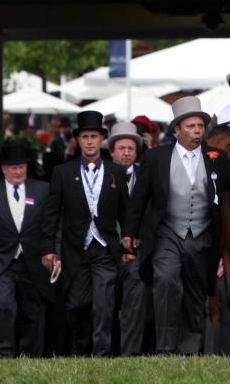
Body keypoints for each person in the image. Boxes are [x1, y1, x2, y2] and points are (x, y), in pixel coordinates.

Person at [122, 96, 230, 355]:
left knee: (197, 293)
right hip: (168, 232)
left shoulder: (216, 158)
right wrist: (129, 232)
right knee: (165, 279)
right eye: (190, 126)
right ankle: (165, 349)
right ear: (176, 129)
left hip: (202, 234)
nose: (197, 131)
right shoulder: (156, 158)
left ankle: (189, 350)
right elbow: (140, 197)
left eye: (200, 126)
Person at [41, 110, 129, 357]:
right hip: (75, 249)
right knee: (77, 305)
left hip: (105, 248)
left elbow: (127, 212)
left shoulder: (117, 172)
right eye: (85, 137)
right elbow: (51, 214)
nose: (90, 141)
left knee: (103, 305)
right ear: (77, 140)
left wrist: (129, 241)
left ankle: (101, 355)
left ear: (102, 139)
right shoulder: (63, 172)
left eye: (94, 136)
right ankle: (80, 350)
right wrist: (48, 248)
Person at [0, 144, 53, 358]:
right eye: (13, 168)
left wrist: (51, 252)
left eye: (22, 167)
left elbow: (50, 226)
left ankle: (29, 355)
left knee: (32, 311)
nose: (18, 172)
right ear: (4, 170)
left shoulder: (42, 190)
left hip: (33, 262)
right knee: (6, 307)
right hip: (4, 262)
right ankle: (6, 354)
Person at [107, 121, 152, 356]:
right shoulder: (100, 175)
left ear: (137, 152)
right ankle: (105, 350)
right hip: (105, 251)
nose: (126, 153)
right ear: (112, 151)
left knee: (136, 288)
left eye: (131, 149)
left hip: (139, 251)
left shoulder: (146, 175)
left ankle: (130, 353)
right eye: (121, 149)